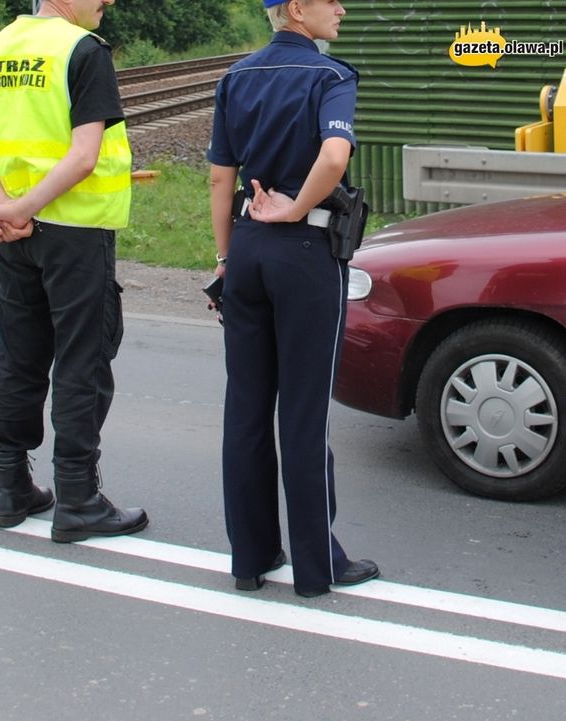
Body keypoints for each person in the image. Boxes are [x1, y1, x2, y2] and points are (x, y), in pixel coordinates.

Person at [0, 0, 148, 543]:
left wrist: (5, 208)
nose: (107, 1)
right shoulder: (83, 51)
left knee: (19, 354)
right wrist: (24, 209)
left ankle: (11, 488)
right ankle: (79, 500)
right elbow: (85, 156)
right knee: (81, 360)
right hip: (76, 232)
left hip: (14, 235)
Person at [207, 0, 379, 597]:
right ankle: (316, 567)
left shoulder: (235, 77)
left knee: (246, 410)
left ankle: (250, 560)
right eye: (330, 0)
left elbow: (219, 178)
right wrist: (298, 208)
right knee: (303, 415)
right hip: (304, 255)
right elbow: (335, 157)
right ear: (298, 10)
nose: (342, 8)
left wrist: (227, 259)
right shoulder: (332, 77)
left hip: (247, 252)